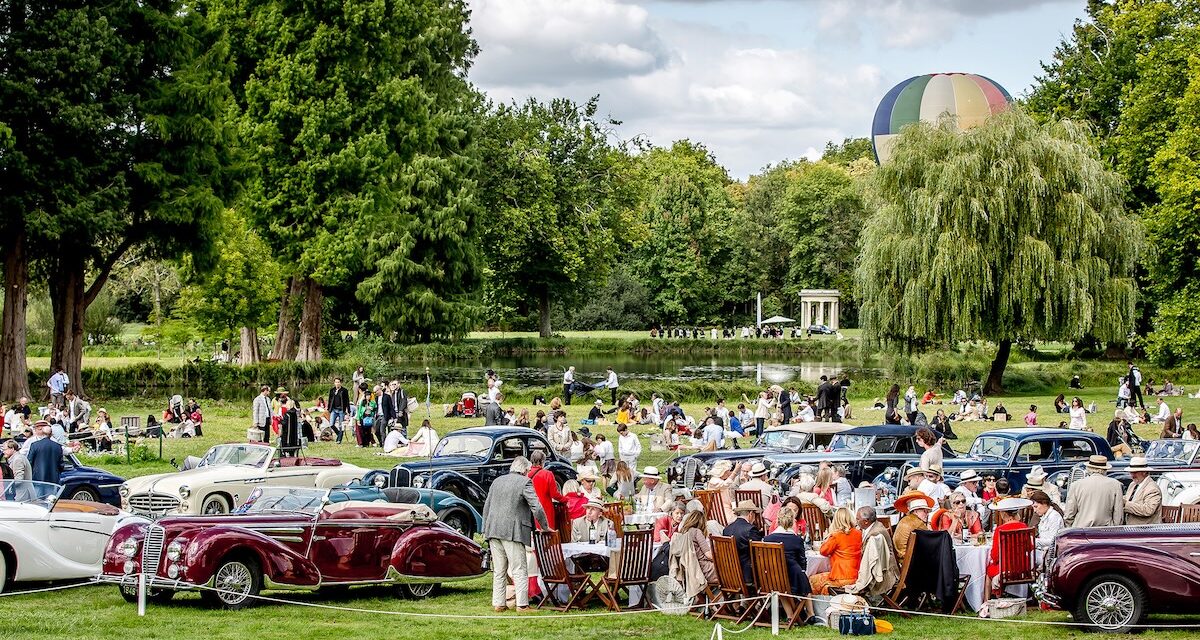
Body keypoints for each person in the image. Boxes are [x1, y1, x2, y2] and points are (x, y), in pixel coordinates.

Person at [483, 456, 547, 612]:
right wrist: (545, 526)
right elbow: (537, 507)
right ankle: (522, 605)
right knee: (519, 568)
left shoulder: (497, 481)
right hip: (513, 531)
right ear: (525, 470)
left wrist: (485, 530)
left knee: (499, 570)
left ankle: (499, 604)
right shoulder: (524, 482)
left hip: (493, 530)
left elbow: (487, 506)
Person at [764, 508, 817, 624]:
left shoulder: (768, 539)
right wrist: (802, 570)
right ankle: (810, 613)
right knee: (804, 581)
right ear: (793, 522)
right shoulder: (796, 539)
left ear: (777, 521)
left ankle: (790, 615)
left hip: (773, 578)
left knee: (780, 585)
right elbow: (802, 561)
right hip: (794, 576)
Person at [845, 506, 899, 601]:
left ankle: (857, 601)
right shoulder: (876, 526)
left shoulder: (874, 535)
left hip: (885, 574)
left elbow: (868, 563)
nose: (856, 521)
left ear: (866, 521)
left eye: (858, 519)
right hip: (886, 568)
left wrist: (860, 584)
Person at [810, 507, 862, 595]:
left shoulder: (836, 535)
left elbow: (823, 551)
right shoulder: (859, 533)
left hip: (841, 577)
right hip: (857, 575)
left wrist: (827, 537)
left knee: (812, 580)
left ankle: (817, 606)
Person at [669, 510, 718, 602]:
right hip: (703, 569)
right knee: (730, 575)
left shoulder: (682, 533)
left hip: (689, 570)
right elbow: (709, 555)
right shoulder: (696, 532)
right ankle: (728, 607)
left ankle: (711, 605)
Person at [987, 497, 1034, 593]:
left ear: (1004, 514)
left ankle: (986, 601)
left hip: (1005, 568)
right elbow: (1029, 548)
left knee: (988, 571)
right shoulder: (1024, 527)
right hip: (1023, 567)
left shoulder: (999, 530)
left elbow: (995, 555)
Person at [1065, 455, 1124, 527]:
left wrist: (1070, 527)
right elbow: (1118, 515)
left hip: (1081, 530)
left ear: (1089, 468)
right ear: (1105, 469)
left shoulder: (1076, 485)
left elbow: (1069, 513)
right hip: (1106, 531)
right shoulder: (1115, 485)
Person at [723, 500, 765, 587]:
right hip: (748, 575)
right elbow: (761, 550)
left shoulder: (726, 529)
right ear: (750, 514)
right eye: (755, 514)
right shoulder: (750, 529)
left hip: (730, 574)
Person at [526, 450, 565, 531]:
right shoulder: (547, 474)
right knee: (547, 534)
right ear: (542, 461)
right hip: (545, 509)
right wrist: (565, 499)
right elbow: (555, 494)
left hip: (529, 509)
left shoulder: (526, 474)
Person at [892, 491, 933, 561]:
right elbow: (931, 538)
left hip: (900, 557)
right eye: (924, 511)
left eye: (927, 511)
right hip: (908, 559)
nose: (927, 514)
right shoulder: (917, 522)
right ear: (915, 511)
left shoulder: (906, 519)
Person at [1123, 456, 1162, 525]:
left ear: (1144, 472)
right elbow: (1126, 498)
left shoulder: (1152, 489)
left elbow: (1148, 510)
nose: (1132, 475)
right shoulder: (1133, 484)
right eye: (1131, 472)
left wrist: (1125, 504)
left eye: (1135, 472)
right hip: (1131, 527)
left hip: (1146, 529)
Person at [327, 377, 351, 443]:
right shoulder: (332, 390)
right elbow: (330, 400)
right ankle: (339, 434)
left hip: (341, 410)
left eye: (338, 382)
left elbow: (347, 401)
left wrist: (348, 410)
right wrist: (329, 408)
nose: (337, 383)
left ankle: (339, 439)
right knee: (331, 424)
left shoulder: (344, 390)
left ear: (340, 383)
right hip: (334, 409)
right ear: (334, 383)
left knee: (341, 425)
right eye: (336, 382)